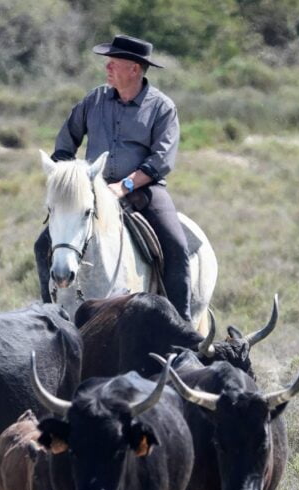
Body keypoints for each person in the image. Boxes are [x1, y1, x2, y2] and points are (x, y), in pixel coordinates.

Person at [34, 34, 191, 321]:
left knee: (177, 247)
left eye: (113, 63)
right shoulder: (94, 99)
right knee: (43, 244)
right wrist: (66, 177)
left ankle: (181, 331)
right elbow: (66, 142)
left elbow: (161, 160)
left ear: (134, 68)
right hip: (93, 190)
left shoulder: (162, 107)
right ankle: (49, 318)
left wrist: (124, 186)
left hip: (145, 191)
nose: (107, 68)